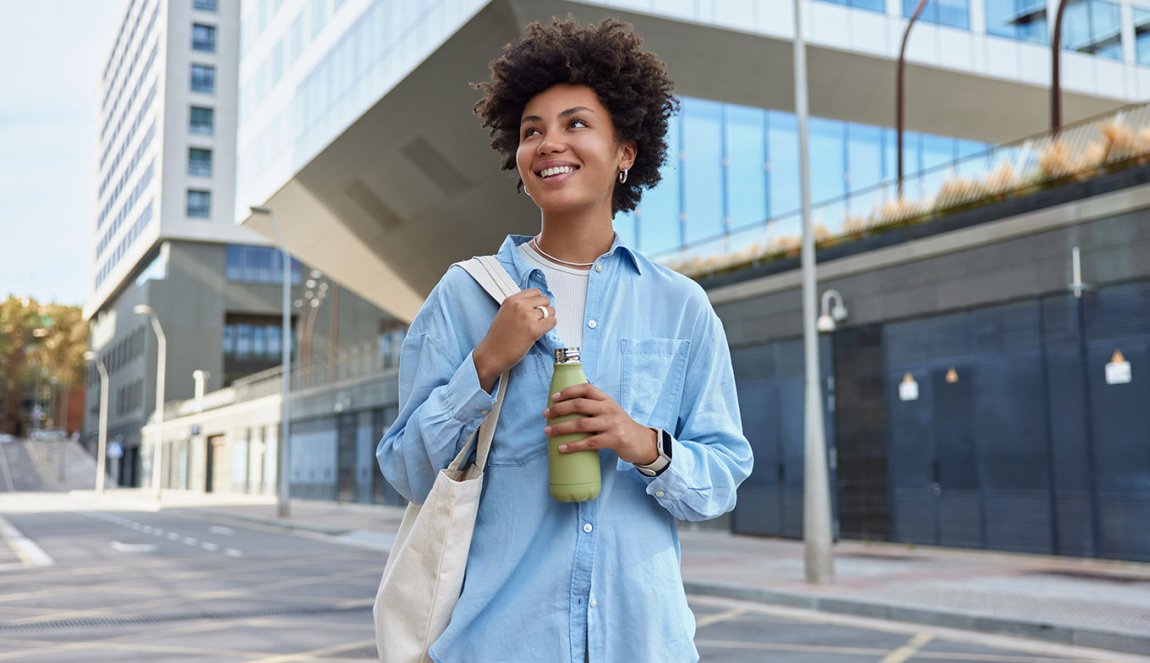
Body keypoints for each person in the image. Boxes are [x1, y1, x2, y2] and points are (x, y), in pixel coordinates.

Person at [377, 16, 753, 662]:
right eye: (531, 131)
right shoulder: (466, 294)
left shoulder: (680, 306)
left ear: (625, 152)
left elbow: (721, 475)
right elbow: (406, 468)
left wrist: (641, 443)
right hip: (498, 644)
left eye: (575, 123)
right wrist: (486, 364)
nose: (549, 143)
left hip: (644, 645)